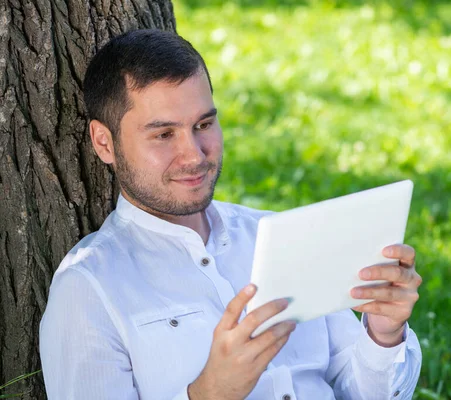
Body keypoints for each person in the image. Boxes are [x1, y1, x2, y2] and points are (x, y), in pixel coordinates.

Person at [39, 29, 422, 400]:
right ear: (104, 142)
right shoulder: (89, 288)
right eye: (163, 134)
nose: (194, 155)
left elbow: (360, 390)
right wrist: (208, 395)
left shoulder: (280, 236)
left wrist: (384, 334)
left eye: (204, 125)